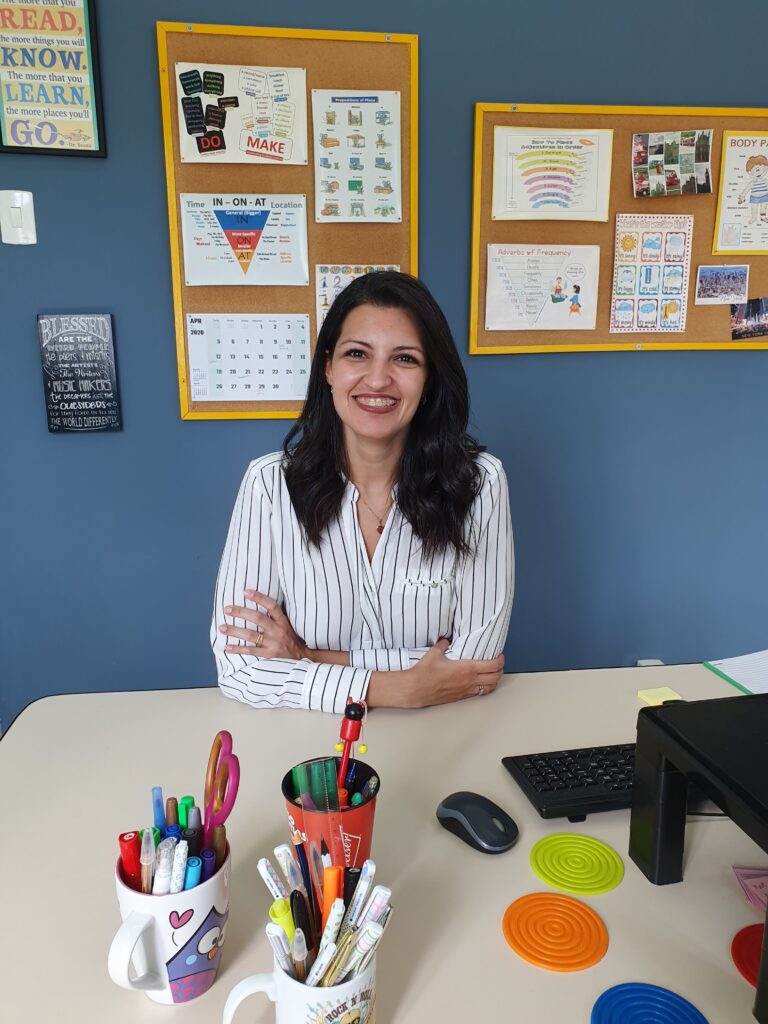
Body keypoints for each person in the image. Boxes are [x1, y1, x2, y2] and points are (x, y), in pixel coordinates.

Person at [211, 271, 514, 712]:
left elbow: (475, 664)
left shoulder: (479, 484)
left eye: (405, 359)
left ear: (429, 379)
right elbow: (238, 667)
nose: (377, 380)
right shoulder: (270, 485)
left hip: (447, 729)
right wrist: (393, 688)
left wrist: (309, 657)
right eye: (358, 354)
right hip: (309, 740)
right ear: (329, 368)